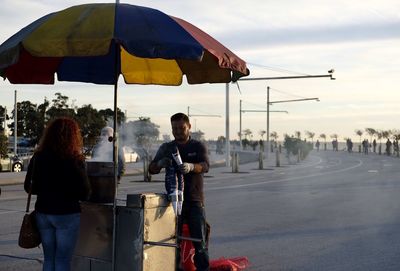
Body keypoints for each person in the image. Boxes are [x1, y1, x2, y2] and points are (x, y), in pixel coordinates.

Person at [24, 117, 91, 271]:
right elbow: (85, 192)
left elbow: (29, 187)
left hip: (43, 212)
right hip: (66, 214)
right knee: (62, 259)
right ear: (73, 136)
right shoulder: (74, 159)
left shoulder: (38, 157)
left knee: (49, 258)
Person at [149, 113, 210, 271]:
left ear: (189, 127)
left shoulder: (197, 146)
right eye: (174, 128)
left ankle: (203, 268)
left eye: (181, 128)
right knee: (173, 243)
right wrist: (160, 163)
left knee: (200, 244)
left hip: (195, 201)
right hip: (173, 203)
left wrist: (191, 166)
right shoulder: (167, 148)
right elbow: (152, 168)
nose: (178, 131)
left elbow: (205, 165)